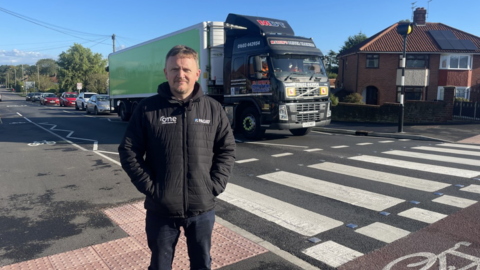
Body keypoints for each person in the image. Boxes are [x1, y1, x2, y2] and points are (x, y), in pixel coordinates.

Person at [118, 45, 236, 270]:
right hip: (161, 210)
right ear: (165, 72)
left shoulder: (213, 109)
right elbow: (128, 151)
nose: (180, 74)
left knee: (202, 264)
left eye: (186, 69)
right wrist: (152, 189)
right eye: (174, 69)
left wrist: (214, 185)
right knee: (160, 266)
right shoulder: (147, 109)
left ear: (197, 74)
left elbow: (227, 149)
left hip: (202, 208)